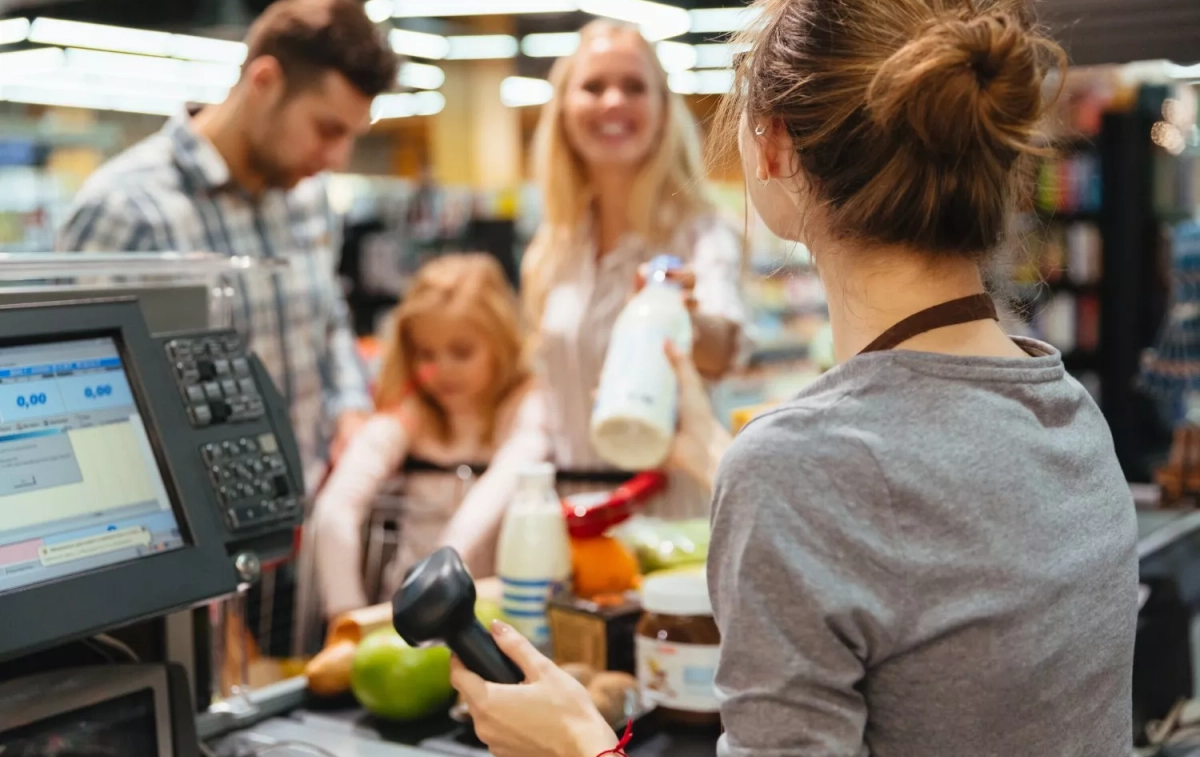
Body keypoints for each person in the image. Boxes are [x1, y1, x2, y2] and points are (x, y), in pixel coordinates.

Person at [449, 1, 1139, 756]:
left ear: (773, 146)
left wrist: (581, 743)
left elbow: (845, 503)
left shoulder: (802, 466)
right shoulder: (1069, 411)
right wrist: (712, 449)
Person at [56, 0, 398, 491]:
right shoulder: (125, 210)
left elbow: (328, 322)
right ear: (264, 82)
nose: (338, 158)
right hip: (198, 536)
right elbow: (71, 397)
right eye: (327, 130)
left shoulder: (307, 196)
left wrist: (349, 408)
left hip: (313, 513)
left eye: (351, 136)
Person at [504, 18, 750, 521]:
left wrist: (679, 314)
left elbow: (726, 348)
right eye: (593, 87)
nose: (613, 101)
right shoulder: (553, 250)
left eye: (634, 87)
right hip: (573, 517)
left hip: (673, 517)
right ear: (564, 111)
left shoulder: (700, 233)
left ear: (663, 110)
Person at [310, 254, 539, 618]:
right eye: (426, 353)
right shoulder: (409, 417)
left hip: (501, 613)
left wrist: (443, 570)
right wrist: (346, 613)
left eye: (461, 352)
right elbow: (335, 508)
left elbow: (509, 477)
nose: (442, 369)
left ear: (502, 342)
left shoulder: (528, 407)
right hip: (408, 616)